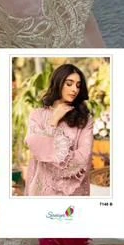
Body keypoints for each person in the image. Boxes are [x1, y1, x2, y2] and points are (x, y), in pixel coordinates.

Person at [25, 64, 94, 197]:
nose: (74, 89)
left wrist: (49, 157)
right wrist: (53, 121)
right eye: (69, 84)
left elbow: (83, 157)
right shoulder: (37, 115)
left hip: (73, 192)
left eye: (78, 85)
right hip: (42, 191)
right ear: (58, 83)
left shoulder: (85, 119)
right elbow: (35, 146)